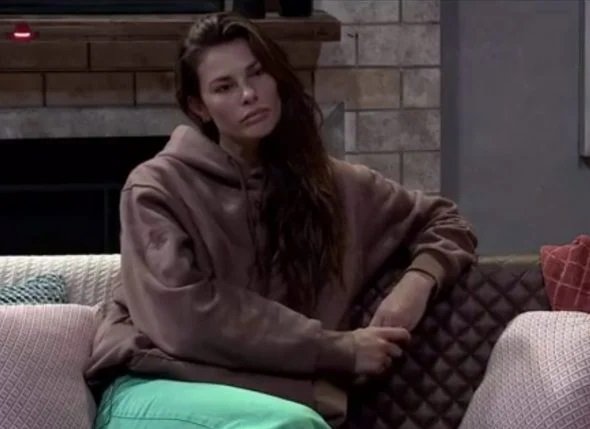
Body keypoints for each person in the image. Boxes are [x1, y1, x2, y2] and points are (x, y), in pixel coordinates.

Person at [85, 12, 477, 429]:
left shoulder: (333, 185)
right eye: (224, 87)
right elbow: (184, 320)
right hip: (157, 382)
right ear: (199, 107)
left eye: (257, 74)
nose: (249, 94)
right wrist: (336, 350)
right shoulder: (156, 187)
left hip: (277, 402)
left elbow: (445, 221)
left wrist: (415, 287)